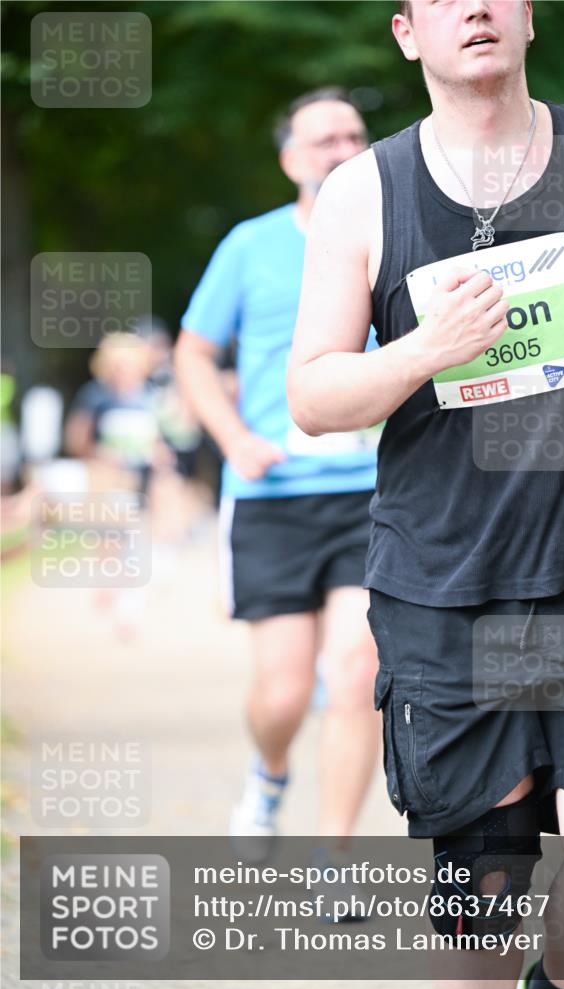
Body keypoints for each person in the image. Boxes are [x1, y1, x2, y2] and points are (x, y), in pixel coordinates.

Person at [287, 2, 564, 989]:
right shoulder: (365, 191)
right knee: (482, 905)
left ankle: (557, 987)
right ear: (407, 33)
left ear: (529, 18)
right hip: (446, 582)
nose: (476, 8)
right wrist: (423, 350)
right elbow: (314, 396)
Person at [174, 89, 380, 849]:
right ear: (291, 160)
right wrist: (232, 438)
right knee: (285, 693)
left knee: (356, 672)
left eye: (354, 135)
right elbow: (193, 353)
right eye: (324, 140)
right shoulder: (250, 245)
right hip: (272, 493)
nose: (343, 150)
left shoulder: (398, 234)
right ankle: (268, 772)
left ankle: (335, 854)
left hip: (373, 492)